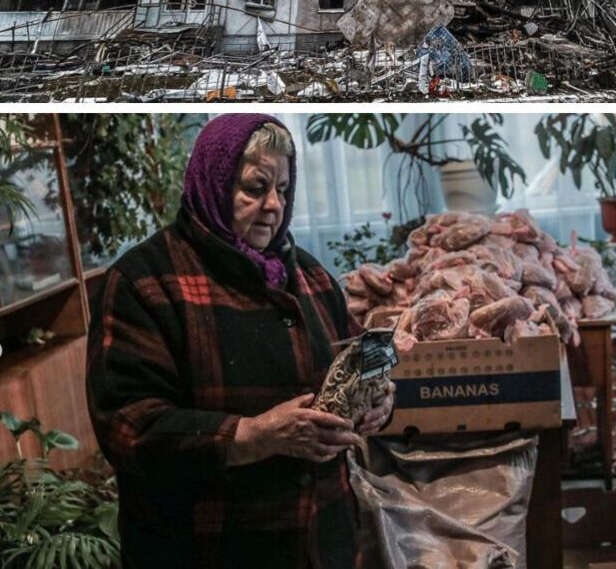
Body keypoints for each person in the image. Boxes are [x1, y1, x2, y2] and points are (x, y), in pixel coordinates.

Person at [86, 114, 393, 569]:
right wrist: (252, 435)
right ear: (213, 181)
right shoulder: (145, 282)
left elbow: (359, 358)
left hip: (322, 544)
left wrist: (381, 401)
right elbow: (129, 427)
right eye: (255, 187)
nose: (273, 205)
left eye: (283, 190)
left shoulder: (308, 275)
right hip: (207, 547)